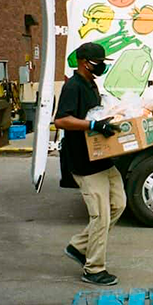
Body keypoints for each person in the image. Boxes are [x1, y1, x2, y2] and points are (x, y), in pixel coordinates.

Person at [54, 42, 125, 286]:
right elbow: (61, 120)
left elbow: (93, 113)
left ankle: (79, 246)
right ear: (85, 62)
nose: (101, 66)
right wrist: (93, 125)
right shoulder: (72, 87)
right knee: (101, 216)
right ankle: (93, 269)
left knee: (119, 204)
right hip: (83, 161)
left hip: (102, 158)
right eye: (97, 62)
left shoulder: (91, 84)